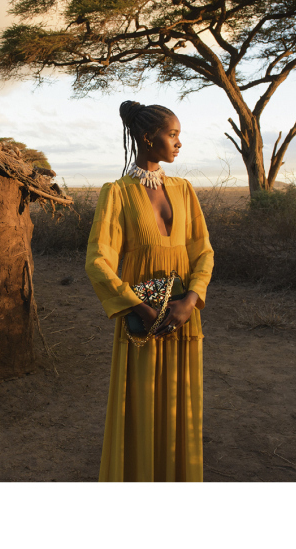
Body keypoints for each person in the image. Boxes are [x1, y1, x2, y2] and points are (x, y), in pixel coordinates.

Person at [85, 100, 215, 482]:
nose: (178, 143)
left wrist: (191, 300)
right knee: (141, 408)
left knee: (181, 408)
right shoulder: (117, 193)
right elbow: (98, 261)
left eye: (179, 136)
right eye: (172, 134)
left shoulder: (184, 189)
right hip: (143, 325)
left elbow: (202, 250)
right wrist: (142, 309)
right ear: (148, 137)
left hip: (185, 320)